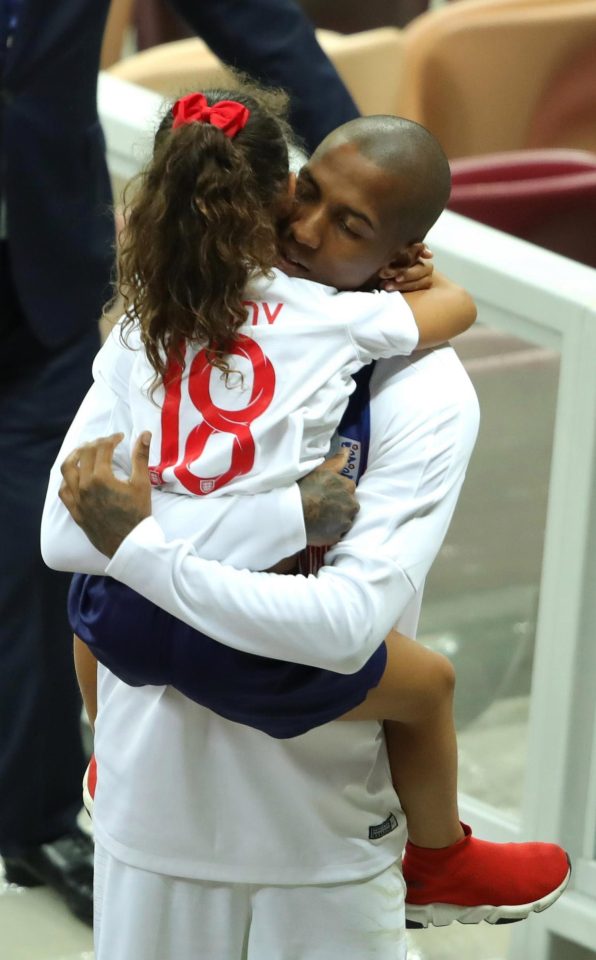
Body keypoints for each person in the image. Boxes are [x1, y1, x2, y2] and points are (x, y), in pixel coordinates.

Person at [43, 95, 569, 957]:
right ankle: (441, 854)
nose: (309, 229)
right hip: (152, 815)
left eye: (352, 224)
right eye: (308, 193)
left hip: (320, 839)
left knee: (101, 613)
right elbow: (66, 535)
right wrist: (277, 516)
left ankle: (436, 860)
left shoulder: (420, 390)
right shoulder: (168, 319)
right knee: (420, 684)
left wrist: (139, 548)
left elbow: (342, 625)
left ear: (402, 251)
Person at [0, 0, 360, 927]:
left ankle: (38, 812)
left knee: (37, 558)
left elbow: (258, 26)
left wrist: (354, 182)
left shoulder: (133, 342)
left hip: (44, 279)